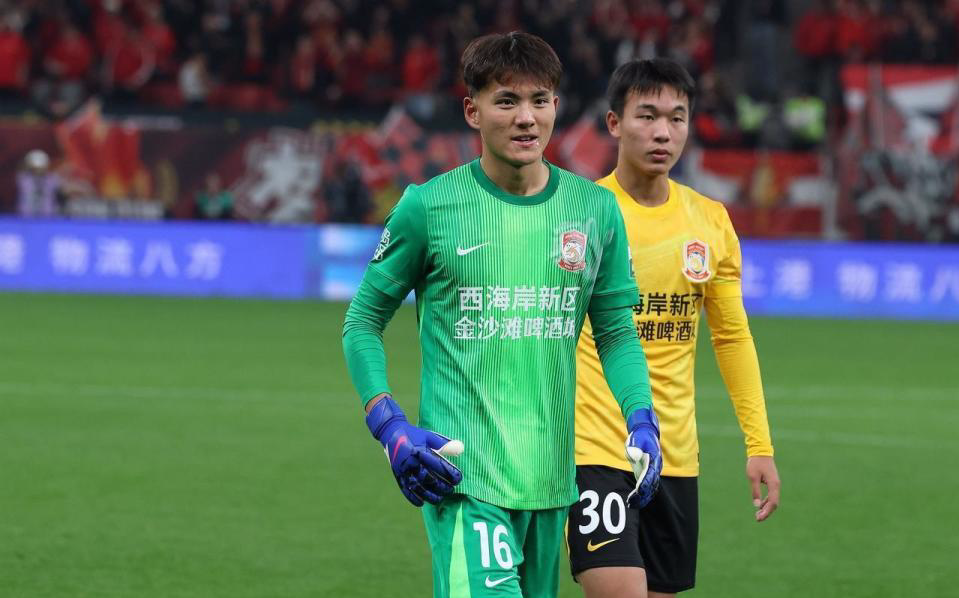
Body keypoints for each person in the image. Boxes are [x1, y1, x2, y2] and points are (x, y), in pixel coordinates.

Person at [342, 32, 662, 598]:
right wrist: (388, 425)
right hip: (463, 479)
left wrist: (641, 416)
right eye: (507, 101)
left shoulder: (595, 210)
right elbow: (362, 323)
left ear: (556, 106)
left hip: (551, 483)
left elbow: (615, 332)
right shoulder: (428, 207)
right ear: (473, 111)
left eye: (539, 101)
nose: (526, 118)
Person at [567, 58, 782, 598]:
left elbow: (731, 337)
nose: (663, 132)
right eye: (647, 116)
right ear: (614, 123)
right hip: (594, 448)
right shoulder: (580, 214)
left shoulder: (709, 221)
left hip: (675, 455)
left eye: (677, 117)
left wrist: (760, 445)